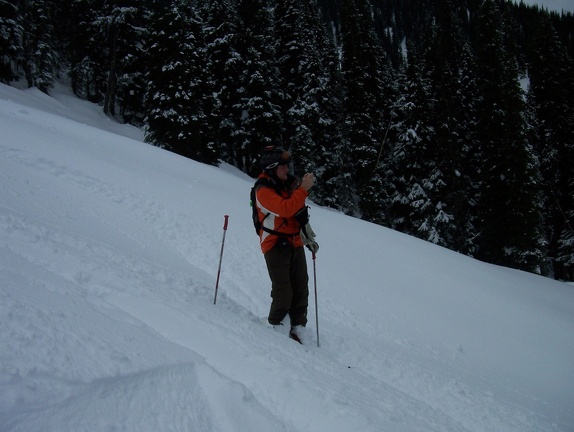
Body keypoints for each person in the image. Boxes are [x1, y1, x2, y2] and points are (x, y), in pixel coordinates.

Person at [254, 146, 319, 344]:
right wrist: (303, 190)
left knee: (301, 288)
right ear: (273, 168)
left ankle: (298, 326)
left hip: (295, 241)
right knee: (284, 290)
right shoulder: (263, 190)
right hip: (274, 244)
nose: (287, 170)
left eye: (287, 166)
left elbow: (298, 211)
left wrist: (308, 237)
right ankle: (275, 325)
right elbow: (286, 209)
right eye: (283, 166)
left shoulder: (287, 184)